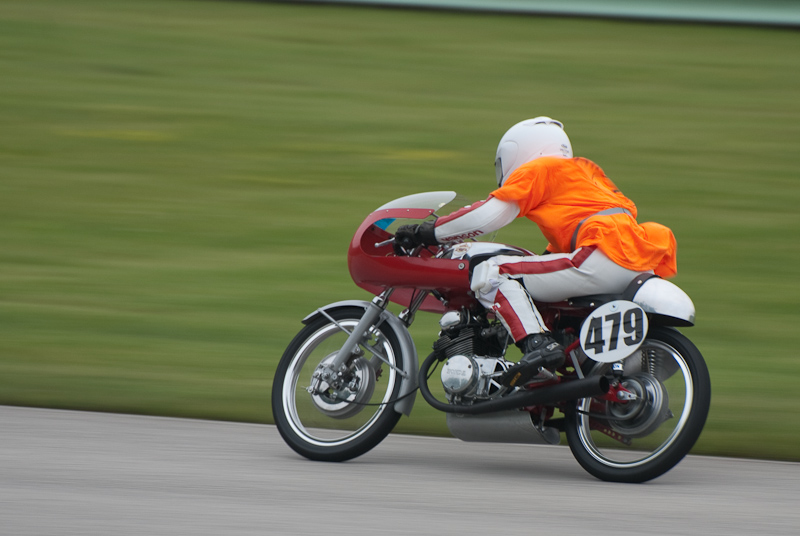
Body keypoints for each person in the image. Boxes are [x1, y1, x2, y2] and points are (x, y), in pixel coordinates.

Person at [395, 117, 677, 387]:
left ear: (519, 150)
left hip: (602, 255)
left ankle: (537, 344)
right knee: (542, 292)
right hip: (638, 263)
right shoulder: (588, 173)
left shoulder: (541, 168)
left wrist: (428, 231)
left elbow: (487, 215)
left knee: (492, 272)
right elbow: (553, 254)